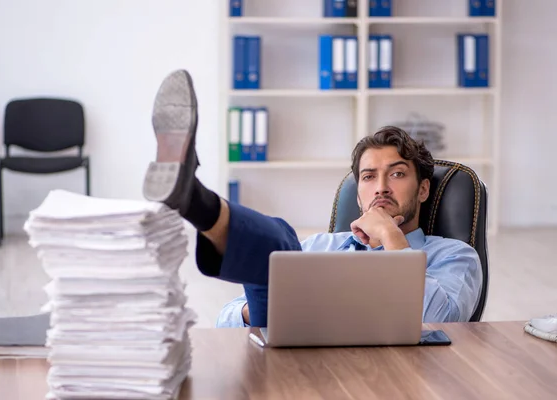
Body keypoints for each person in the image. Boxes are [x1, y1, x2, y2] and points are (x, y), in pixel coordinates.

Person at [144, 69, 483, 328]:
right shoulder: (324, 246)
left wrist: (391, 237)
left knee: (277, 247)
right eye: (368, 177)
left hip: (394, 370)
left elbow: (441, 321)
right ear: (358, 191)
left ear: (423, 189)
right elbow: (225, 320)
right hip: (310, 357)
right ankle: (190, 197)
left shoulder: (454, 256)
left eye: (396, 174)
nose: (380, 187)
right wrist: (262, 309)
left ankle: (195, 199)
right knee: (278, 246)